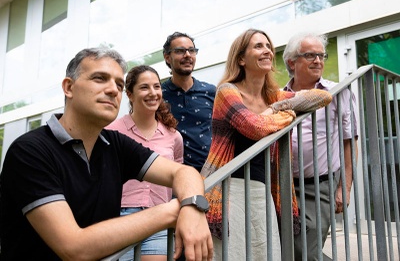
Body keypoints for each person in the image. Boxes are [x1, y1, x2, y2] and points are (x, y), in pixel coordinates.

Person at [0, 47, 213, 261]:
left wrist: (193, 204)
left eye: (119, 85)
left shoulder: (115, 144)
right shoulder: (30, 151)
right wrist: (178, 209)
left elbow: (184, 172)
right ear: (69, 87)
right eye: (100, 78)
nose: (113, 90)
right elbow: (74, 247)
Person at [200, 29, 332, 261]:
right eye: (258, 46)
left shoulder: (273, 97)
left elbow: (323, 97)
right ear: (241, 58)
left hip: (262, 188)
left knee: (263, 252)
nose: (267, 51)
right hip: (228, 188)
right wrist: (286, 115)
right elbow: (254, 127)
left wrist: (275, 108)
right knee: (232, 254)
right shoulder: (228, 91)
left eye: (268, 46)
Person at [282, 32, 358, 261]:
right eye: (310, 55)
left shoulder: (336, 91)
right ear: (292, 62)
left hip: (319, 185)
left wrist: (344, 188)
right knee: (287, 249)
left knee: (307, 251)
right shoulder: (279, 96)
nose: (318, 60)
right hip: (283, 186)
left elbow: (349, 140)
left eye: (321, 55)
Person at [106, 65, 184, 261]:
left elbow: (178, 178)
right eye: (144, 87)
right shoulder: (111, 132)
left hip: (159, 217)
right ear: (130, 94)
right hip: (120, 219)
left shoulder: (173, 137)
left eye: (157, 87)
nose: (153, 93)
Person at [162, 31, 216, 173]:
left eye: (191, 50)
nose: (187, 55)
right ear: (167, 57)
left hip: (213, 174)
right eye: (180, 51)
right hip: (174, 175)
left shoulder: (211, 91)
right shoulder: (158, 95)